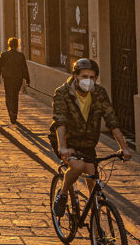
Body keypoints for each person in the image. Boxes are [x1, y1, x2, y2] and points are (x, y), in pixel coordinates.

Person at [51, 58, 133, 217]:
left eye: (92, 77)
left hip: (88, 143)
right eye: (84, 76)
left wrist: (124, 147)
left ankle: (96, 226)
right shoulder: (62, 93)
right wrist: (63, 146)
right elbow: (60, 120)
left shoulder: (99, 93)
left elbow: (112, 121)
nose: (88, 81)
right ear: (76, 76)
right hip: (67, 141)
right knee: (77, 167)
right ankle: (62, 194)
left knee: (92, 179)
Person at [0, 37, 30, 124]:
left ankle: (10, 111)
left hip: (8, 78)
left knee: (8, 95)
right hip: (18, 78)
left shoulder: (4, 55)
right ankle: (14, 113)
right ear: (17, 45)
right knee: (15, 96)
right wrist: (27, 79)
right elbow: (25, 68)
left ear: (9, 45)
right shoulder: (21, 56)